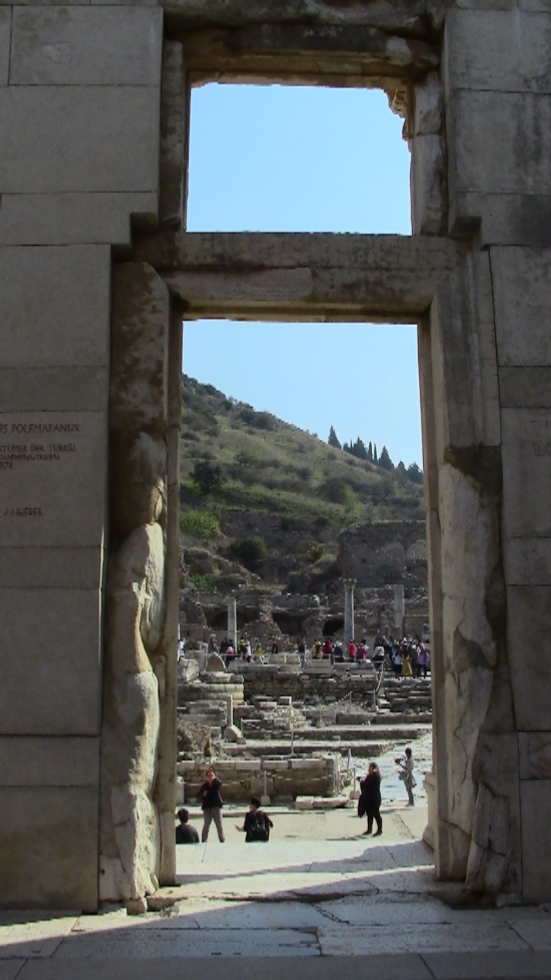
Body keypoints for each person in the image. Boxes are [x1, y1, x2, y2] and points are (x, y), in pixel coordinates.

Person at [198, 768, 225, 842]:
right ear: (206, 777)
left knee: (219, 826)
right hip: (207, 809)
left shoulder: (215, 784)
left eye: (212, 776)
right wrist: (203, 794)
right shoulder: (204, 786)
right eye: (209, 776)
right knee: (206, 826)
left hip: (216, 807)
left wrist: (215, 779)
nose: (210, 777)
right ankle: (204, 840)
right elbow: (199, 795)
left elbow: (220, 784)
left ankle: (222, 840)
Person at [358, 763, 383, 836]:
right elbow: (365, 786)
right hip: (369, 799)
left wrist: (363, 783)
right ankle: (369, 829)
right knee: (370, 814)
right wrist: (361, 782)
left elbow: (370, 786)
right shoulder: (369, 776)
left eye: (370, 768)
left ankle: (380, 829)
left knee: (376, 813)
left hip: (375, 798)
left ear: (374, 769)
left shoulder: (376, 777)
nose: (369, 769)